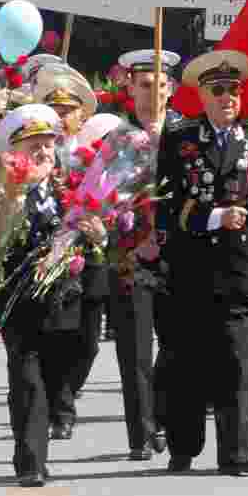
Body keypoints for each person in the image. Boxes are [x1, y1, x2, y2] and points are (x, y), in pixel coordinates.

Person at [158, 50, 248, 476]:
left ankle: (235, 453)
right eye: (218, 90)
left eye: (234, 91)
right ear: (202, 95)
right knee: (187, 361)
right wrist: (214, 217)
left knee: (236, 362)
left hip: (239, 270)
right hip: (191, 267)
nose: (228, 97)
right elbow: (166, 204)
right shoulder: (181, 139)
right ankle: (183, 447)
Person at [0, 104, 108, 487]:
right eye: (34, 146)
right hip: (21, 304)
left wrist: (98, 233)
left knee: (58, 376)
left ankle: (45, 427)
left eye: (49, 146)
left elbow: (96, 239)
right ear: (14, 153)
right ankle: (30, 460)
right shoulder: (3, 196)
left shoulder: (71, 192)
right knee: (27, 379)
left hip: (65, 302)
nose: (43, 153)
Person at [107, 48, 182, 460]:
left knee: (177, 346)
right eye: (144, 85)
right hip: (130, 257)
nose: (152, 93)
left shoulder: (186, 133)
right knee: (134, 351)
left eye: (160, 85)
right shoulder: (115, 138)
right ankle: (141, 432)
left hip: (177, 258)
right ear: (130, 88)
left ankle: (167, 419)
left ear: (171, 89)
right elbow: (96, 194)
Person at [32, 62, 106, 423]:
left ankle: (67, 389)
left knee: (88, 342)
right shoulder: (35, 155)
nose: (61, 118)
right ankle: (60, 408)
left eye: (68, 111)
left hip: (89, 255)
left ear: (82, 115)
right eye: (55, 111)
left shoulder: (95, 157)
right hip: (49, 257)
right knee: (56, 336)